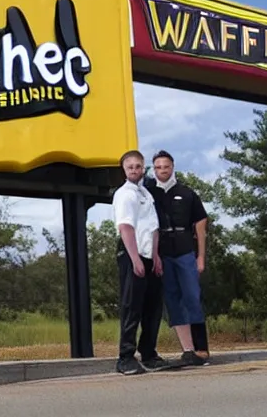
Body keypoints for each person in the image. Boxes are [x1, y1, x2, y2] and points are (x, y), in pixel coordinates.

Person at [145, 150, 209, 366]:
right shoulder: (149, 193)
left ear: (173, 167)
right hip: (162, 252)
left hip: (185, 250)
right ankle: (187, 350)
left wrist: (201, 257)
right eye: (158, 167)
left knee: (192, 296)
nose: (162, 170)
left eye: (166, 166)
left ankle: (202, 348)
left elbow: (201, 226)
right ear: (154, 169)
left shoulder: (187, 193)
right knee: (172, 299)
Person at [112, 149, 170, 375]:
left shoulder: (146, 193)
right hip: (131, 254)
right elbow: (126, 227)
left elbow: (153, 228)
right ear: (124, 170)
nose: (135, 170)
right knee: (132, 306)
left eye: (138, 166)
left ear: (143, 167)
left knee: (152, 307)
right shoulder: (125, 194)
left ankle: (149, 353)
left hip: (149, 255)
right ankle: (125, 357)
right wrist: (135, 259)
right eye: (130, 167)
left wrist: (155, 256)